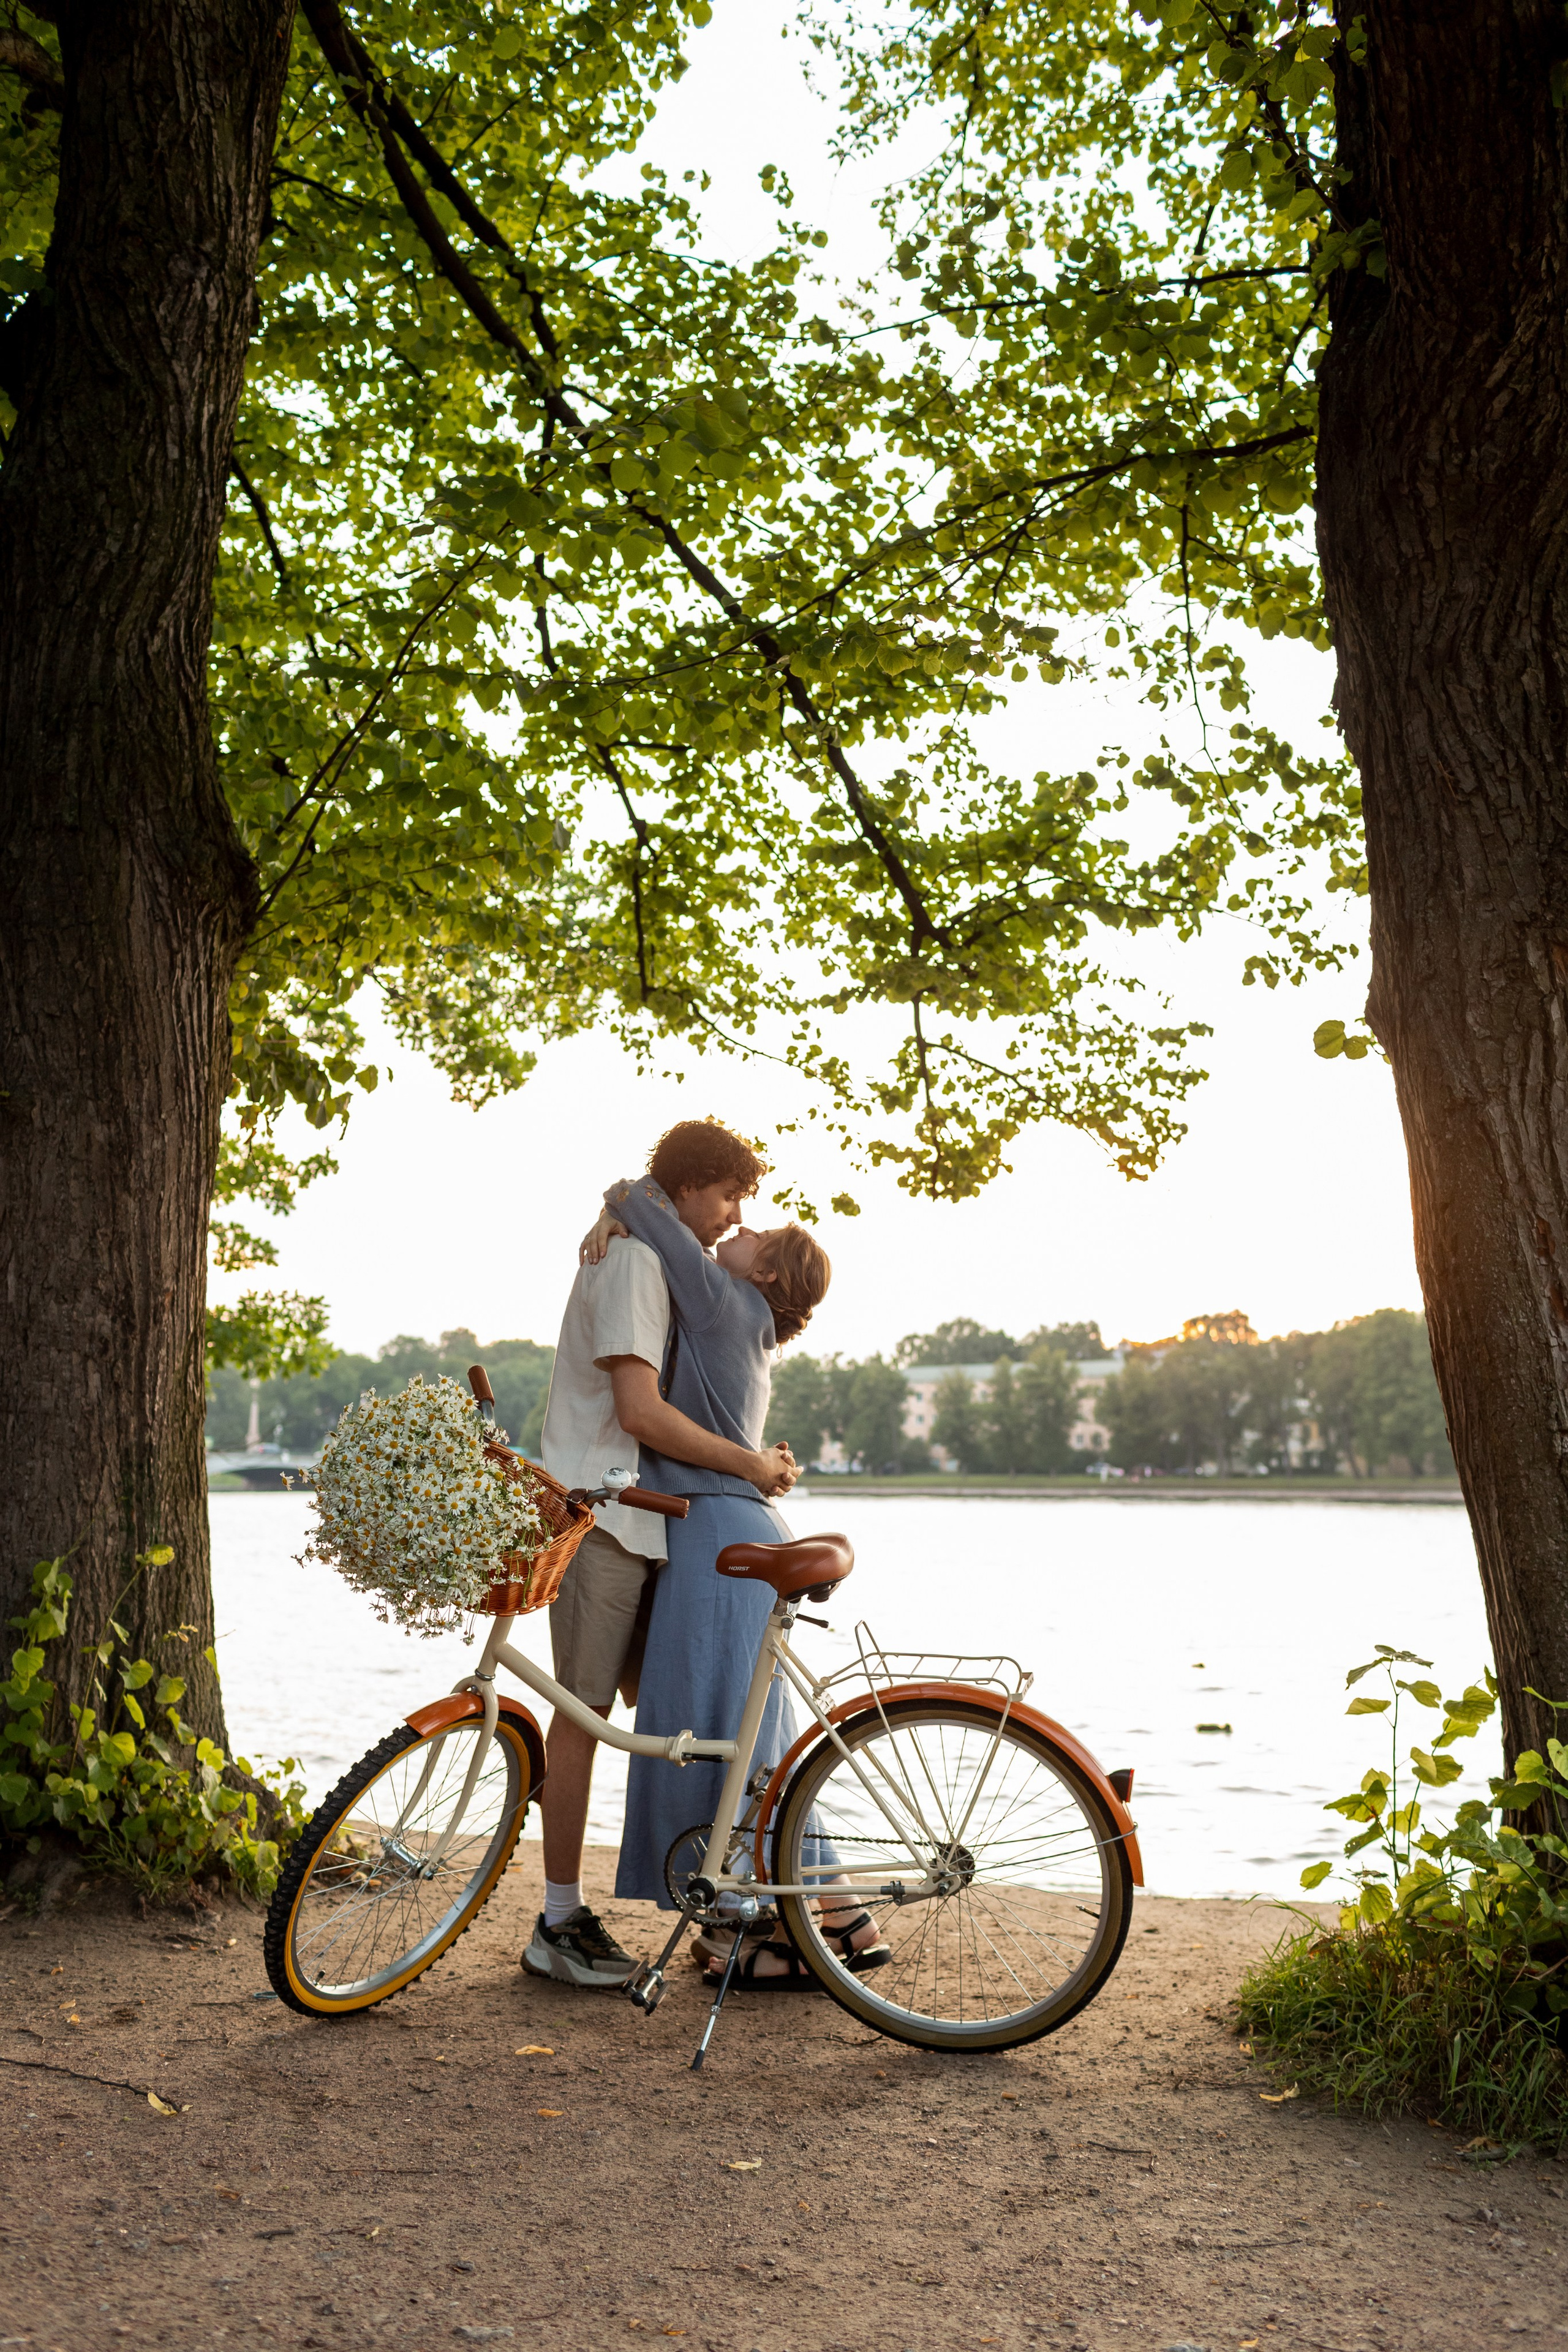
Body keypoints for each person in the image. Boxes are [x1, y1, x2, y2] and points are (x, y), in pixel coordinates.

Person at [584, 1173, 890, 1986]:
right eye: (735, 1214)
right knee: (751, 1736)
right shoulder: (744, 1322)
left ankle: (809, 1910)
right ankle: (811, 1917)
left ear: (766, 1273)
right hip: (728, 1522)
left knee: (720, 1731)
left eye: (755, 1232)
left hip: (716, 1530)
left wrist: (611, 1210)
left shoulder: (725, 1303)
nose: (738, 1228)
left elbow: (645, 1195)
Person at [524, 1121, 799, 1988]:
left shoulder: (652, 1251)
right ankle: (560, 1919)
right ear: (688, 1189)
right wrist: (753, 1464)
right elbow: (640, 1414)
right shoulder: (639, 1263)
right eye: (727, 1196)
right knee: (584, 1712)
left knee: (670, 1718)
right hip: (605, 1515)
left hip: (652, 1521)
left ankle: (740, 1911)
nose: (732, 1214)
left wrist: (618, 1207)